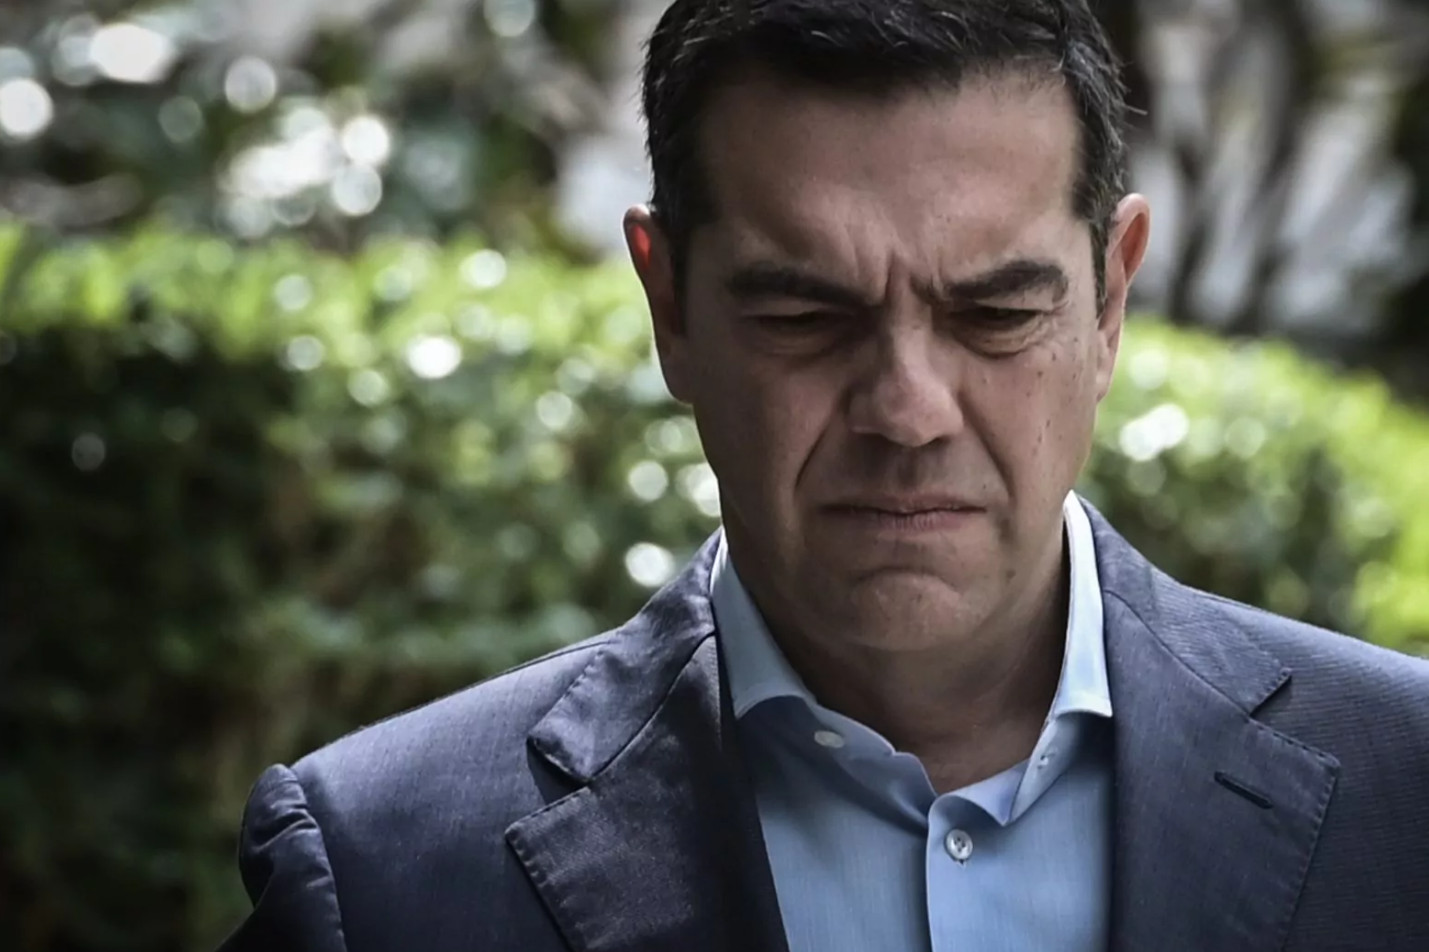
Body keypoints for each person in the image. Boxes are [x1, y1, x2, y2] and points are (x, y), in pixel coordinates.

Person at [219, 2, 1429, 950]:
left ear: (1110, 299)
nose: (905, 409)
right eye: (804, 314)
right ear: (669, 305)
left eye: (995, 313)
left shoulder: (1406, 795)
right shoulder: (384, 878)